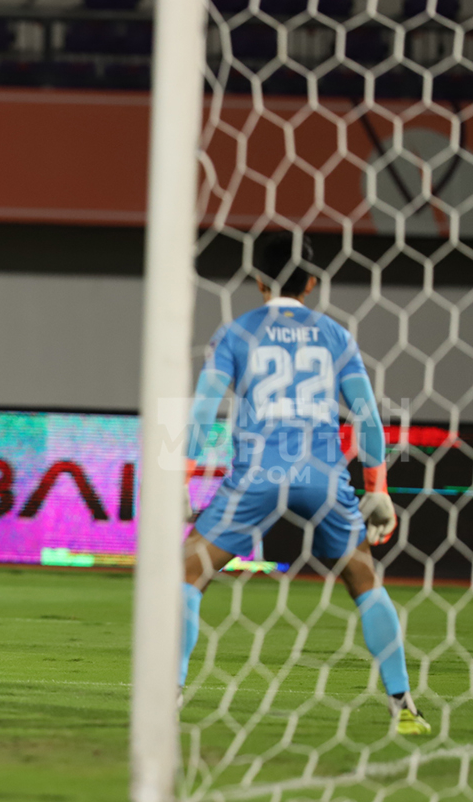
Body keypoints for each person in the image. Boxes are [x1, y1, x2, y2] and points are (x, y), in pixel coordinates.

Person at [181, 231, 426, 734]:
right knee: (364, 582)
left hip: (257, 473)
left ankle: (170, 696)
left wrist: (182, 481)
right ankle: (404, 707)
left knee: (186, 577)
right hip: (324, 475)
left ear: (257, 282)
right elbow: (368, 420)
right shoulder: (336, 336)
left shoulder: (237, 333)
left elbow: (203, 413)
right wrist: (376, 487)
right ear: (311, 282)